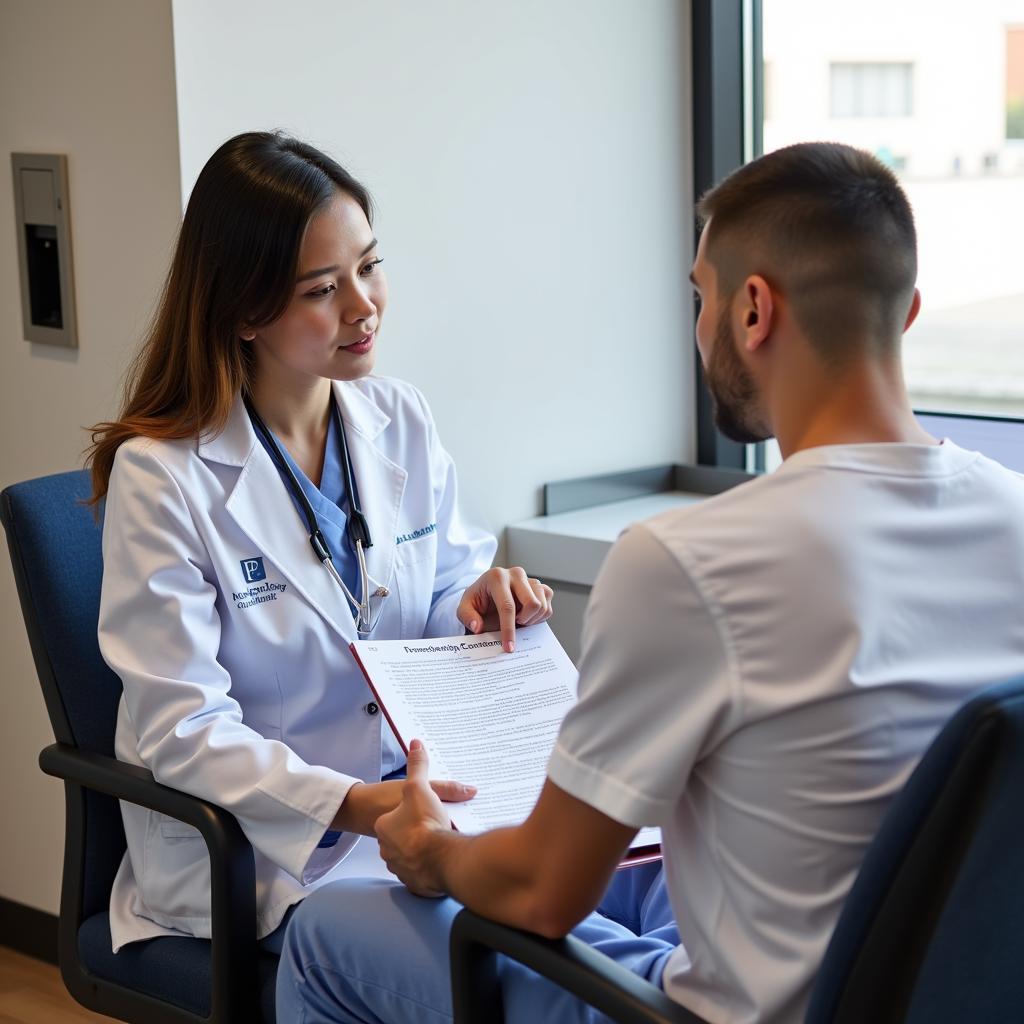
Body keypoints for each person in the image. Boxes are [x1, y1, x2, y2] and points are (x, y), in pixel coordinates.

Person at [275, 141, 1024, 1023]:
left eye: (700, 296)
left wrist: (434, 855)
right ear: (906, 314)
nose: (699, 325)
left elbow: (542, 892)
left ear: (753, 310)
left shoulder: (687, 561)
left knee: (326, 932)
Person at [88, 131, 553, 953]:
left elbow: (440, 591)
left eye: (369, 268)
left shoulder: (398, 417)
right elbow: (181, 729)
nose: (363, 306)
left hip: (417, 814)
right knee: (492, 955)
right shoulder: (162, 477)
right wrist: (358, 807)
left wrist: (477, 603)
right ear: (242, 310)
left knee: (613, 894)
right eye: (321, 289)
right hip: (263, 859)